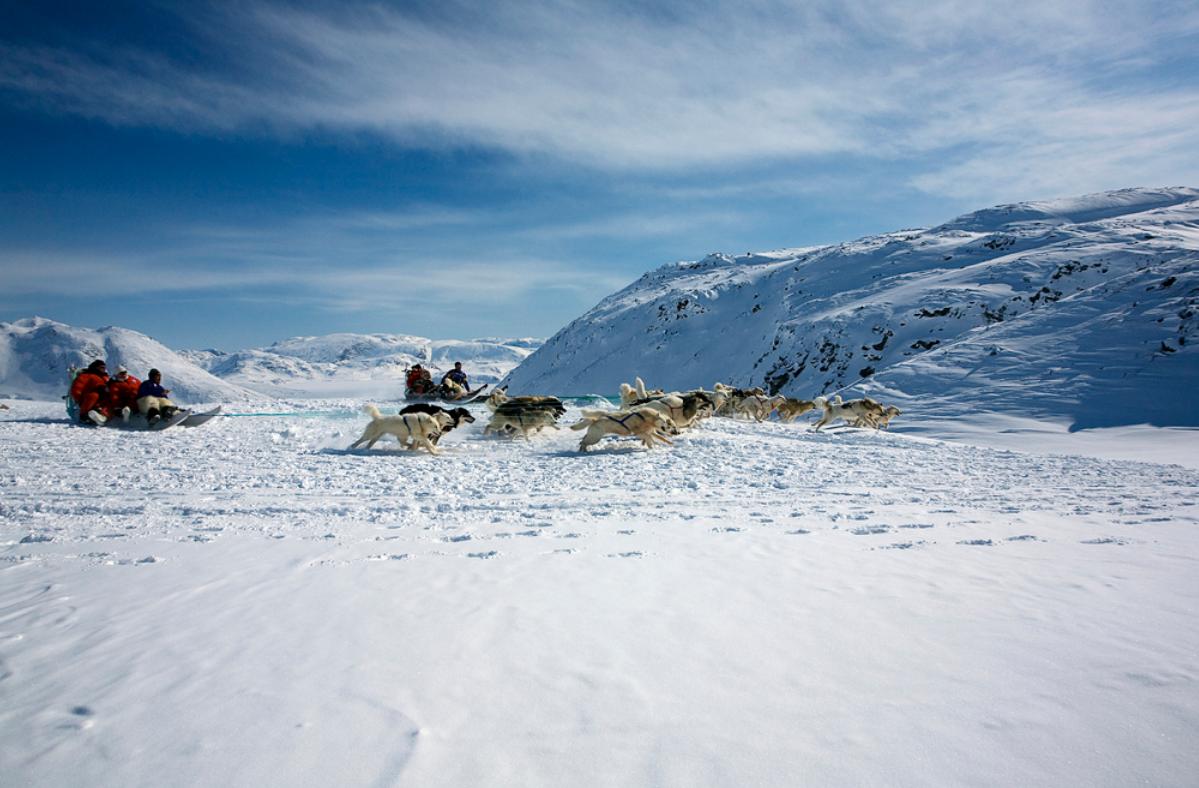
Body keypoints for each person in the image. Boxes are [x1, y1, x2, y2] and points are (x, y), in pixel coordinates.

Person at [69, 359, 111, 425]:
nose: (104, 369)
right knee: (94, 395)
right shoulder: (86, 376)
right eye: (102, 367)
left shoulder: (105, 377)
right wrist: (78, 399)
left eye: (104, 367)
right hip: (89, 399)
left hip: (103, 398)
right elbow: (77, 387)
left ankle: (104, 415)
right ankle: (84, 415)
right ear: (96, 367)